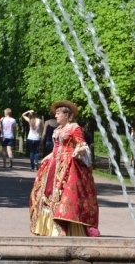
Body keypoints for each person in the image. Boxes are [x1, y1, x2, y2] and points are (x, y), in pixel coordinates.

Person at [29, 100, 100, 237]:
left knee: (63, 194)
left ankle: (65, 228)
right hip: (54, 163)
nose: (56, 116)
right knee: (46, 192)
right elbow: (56, 148)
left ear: (67, 115)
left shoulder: (74, 128)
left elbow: (83, 145)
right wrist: (48, 157)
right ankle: (48, 227)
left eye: (58, 114)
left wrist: (78, 151)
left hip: (68, 164)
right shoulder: (57, 130)